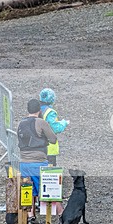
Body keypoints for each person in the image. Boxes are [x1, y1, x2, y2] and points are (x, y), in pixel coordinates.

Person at [17, 99, 57, 224]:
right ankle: (60, 214)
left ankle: (31, 217)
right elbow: (53, 139)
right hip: (39, 162)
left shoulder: (20, 124)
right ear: (39, 110)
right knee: (50, 188)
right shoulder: (41, 122)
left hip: (23, 162)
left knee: (29, 190)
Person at [40, 88, 69, 216]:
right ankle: (56, 209)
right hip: (49, 149)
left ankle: (42, 205)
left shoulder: (38, 109)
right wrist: (64, 123)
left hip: (39, 149)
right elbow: (54, 128)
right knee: (51, 178)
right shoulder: (50, 112)